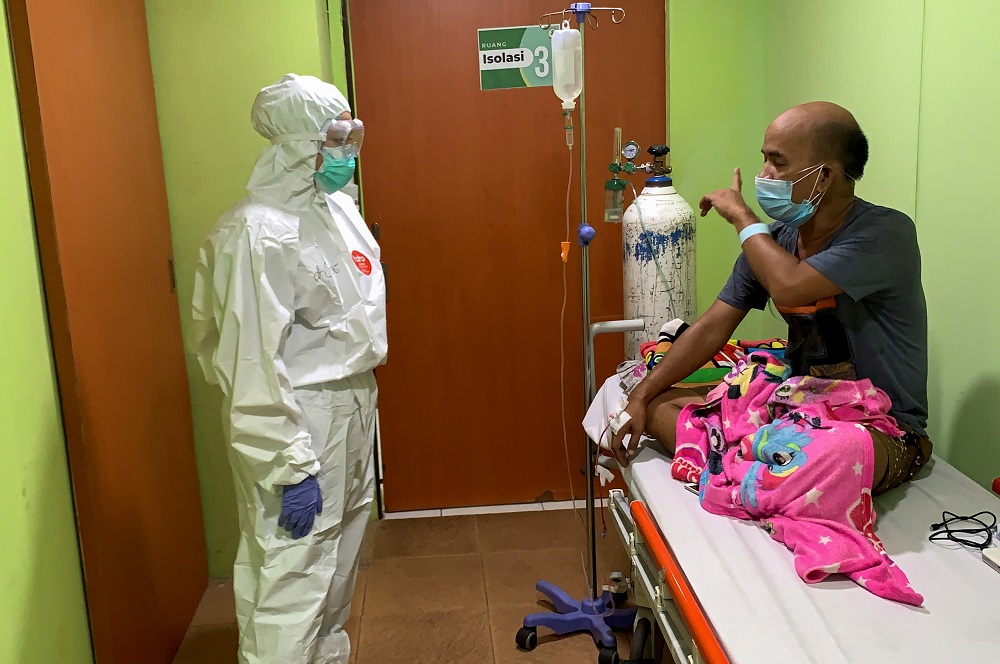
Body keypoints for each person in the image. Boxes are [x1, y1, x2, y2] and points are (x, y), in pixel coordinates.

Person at [611, 101, 931, 495]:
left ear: (824, 176)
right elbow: (712, 326)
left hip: (878, 425)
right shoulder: (776, 241)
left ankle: (749, 463)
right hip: (798, 405)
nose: (764, 175)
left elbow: (790, 286)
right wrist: (640, 396)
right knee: (661, 406)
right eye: (764, 160)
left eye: (777, 163)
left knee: (839, 452)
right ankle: (768, 465)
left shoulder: (885, 233)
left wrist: (744, 219)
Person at [192, 74, 387, 664]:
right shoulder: (255, 233)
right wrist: (286, 461)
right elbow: (250, 362)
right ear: (297, 143)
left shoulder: (338, 212)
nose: (347, 148)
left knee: (338, 564)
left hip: (353, 402)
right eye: (334, 136)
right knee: (291, 573)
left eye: (352, 132)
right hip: (301, 418)